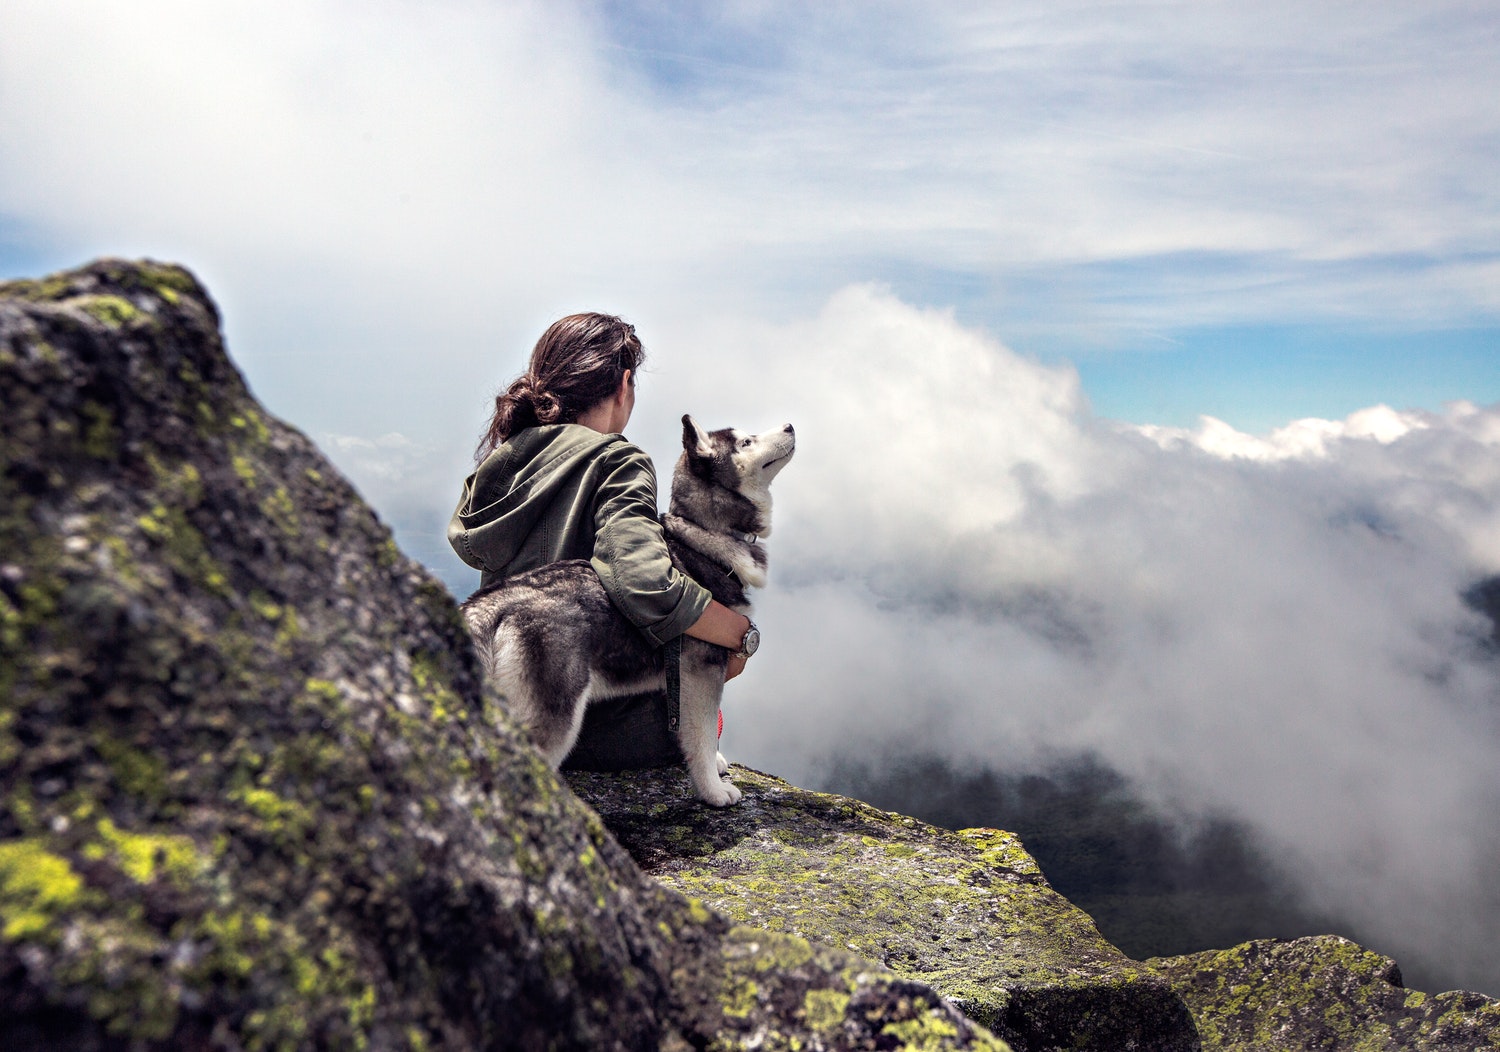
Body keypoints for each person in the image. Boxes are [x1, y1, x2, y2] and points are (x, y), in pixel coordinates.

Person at [447, 313, 756, 768]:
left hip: (509, 718)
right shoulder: (617, 460)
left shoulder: (503, 463)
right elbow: (643, 579)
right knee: (703, 705)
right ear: (624, 383)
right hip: (599, 733)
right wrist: (738, 634)